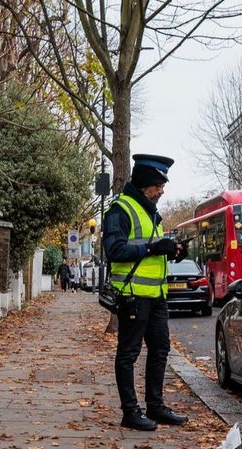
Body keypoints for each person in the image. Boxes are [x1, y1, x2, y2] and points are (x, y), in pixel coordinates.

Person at [102, 154, 189, 431]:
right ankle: (130, 412)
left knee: (161, 349)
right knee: (128, 353)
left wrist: (172, 251)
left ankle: (156, 406)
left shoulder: (152, 211)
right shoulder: (121, 209)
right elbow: (114, 250)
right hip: (132, 296)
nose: (162, 190)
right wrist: (153, 248)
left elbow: (150, 249)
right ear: (143, 184)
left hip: (155, 296)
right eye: (158, 185)